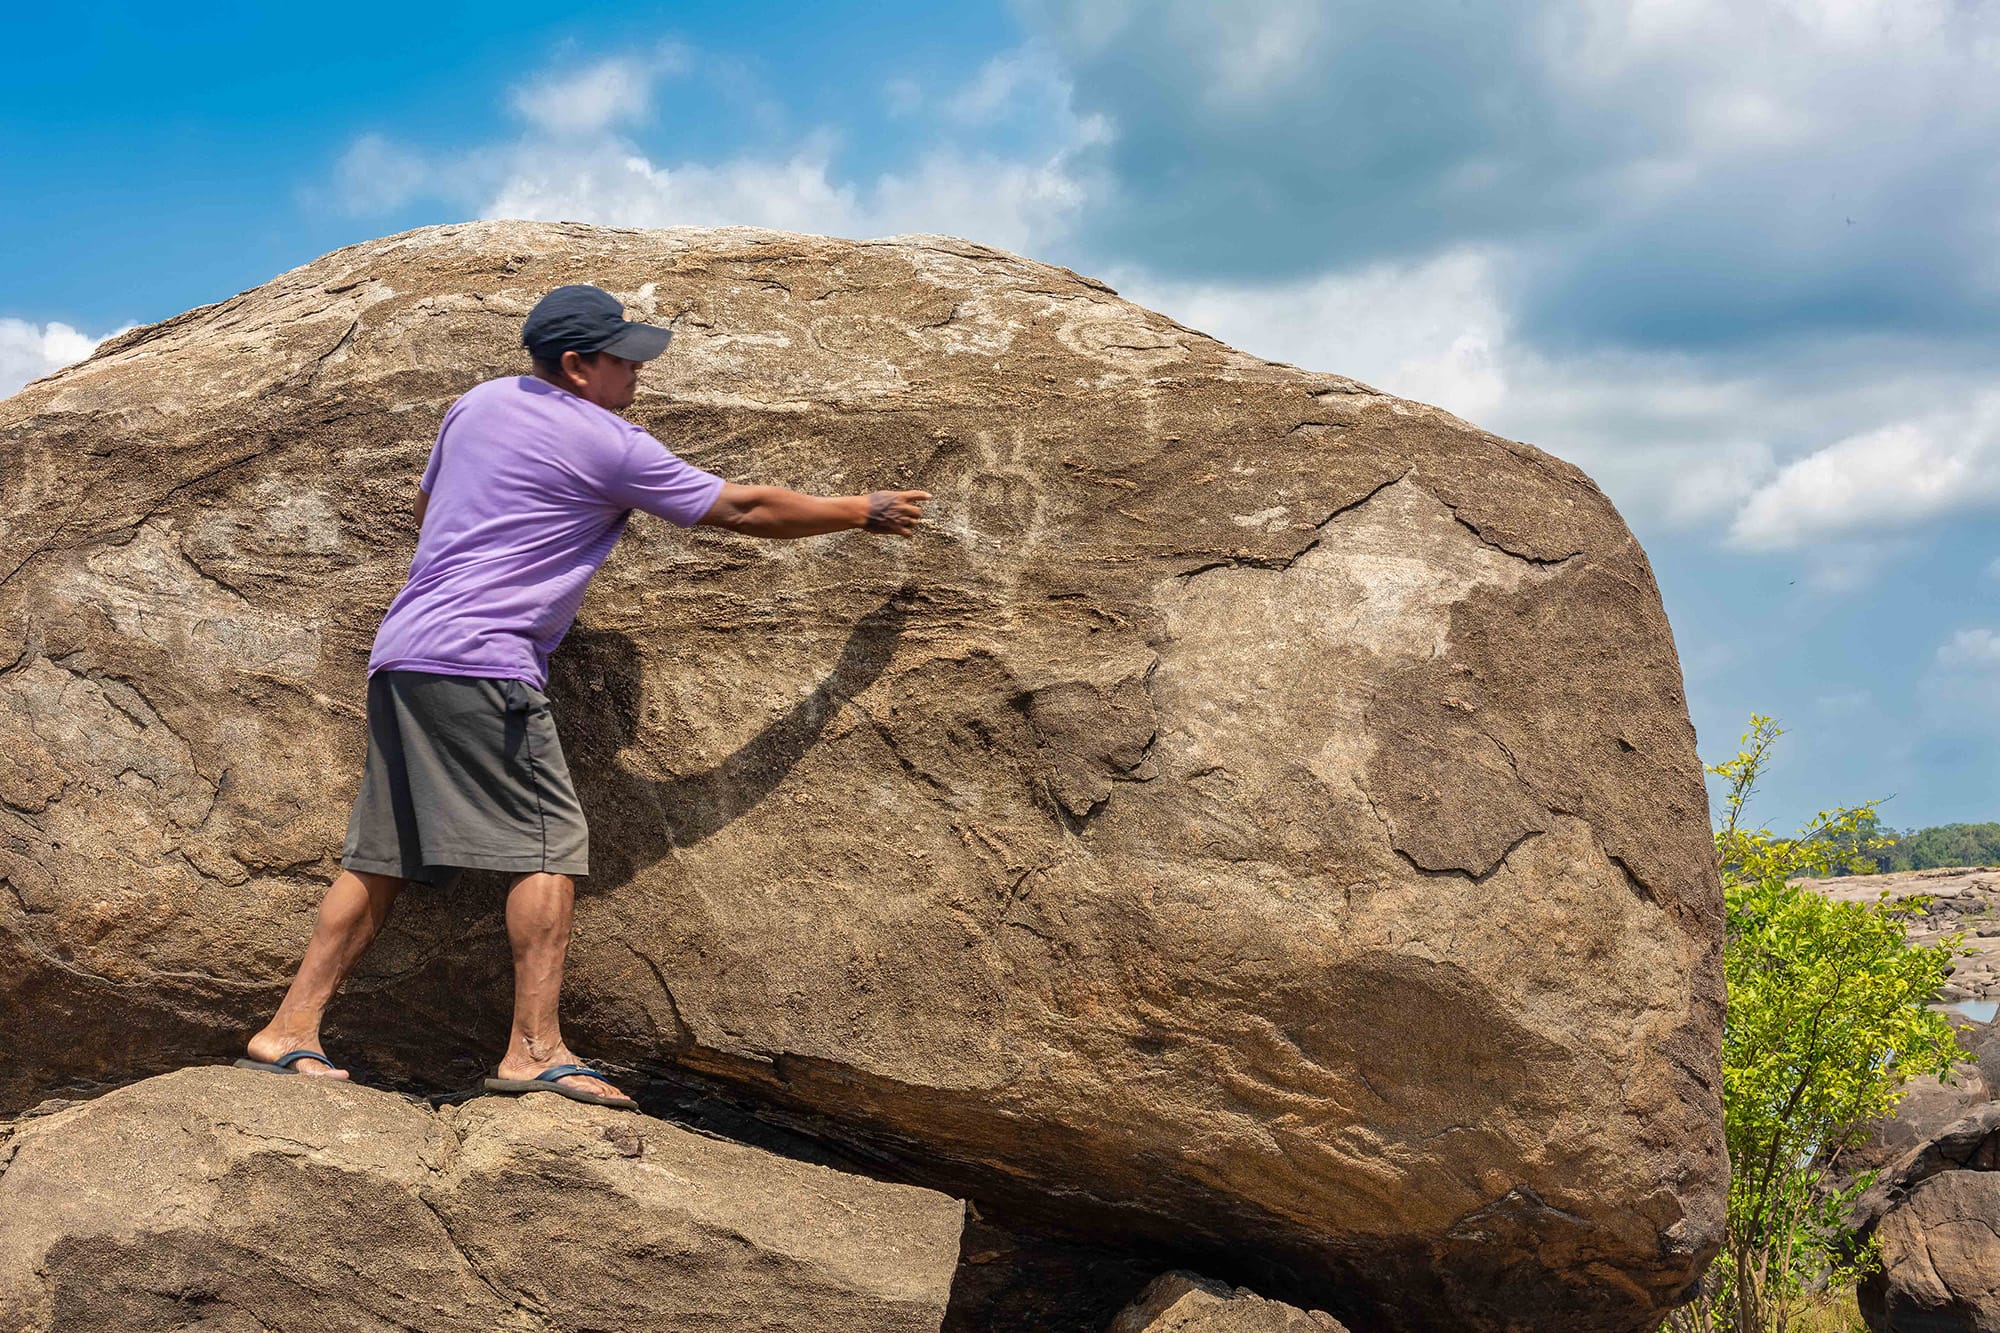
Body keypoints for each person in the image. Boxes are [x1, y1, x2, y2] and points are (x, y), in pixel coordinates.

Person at [238, 284, 930, 1110]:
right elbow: (740, 507)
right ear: (577, 365)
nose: (638, 372)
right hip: (483, 664)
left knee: (381, 856)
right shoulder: (609, 441)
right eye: (624, 358)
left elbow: (428, 511)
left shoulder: (478, 403)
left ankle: (289, 1029)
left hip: (405, 653)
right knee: (547, 844)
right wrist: (861, 510)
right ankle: (535, 1050)